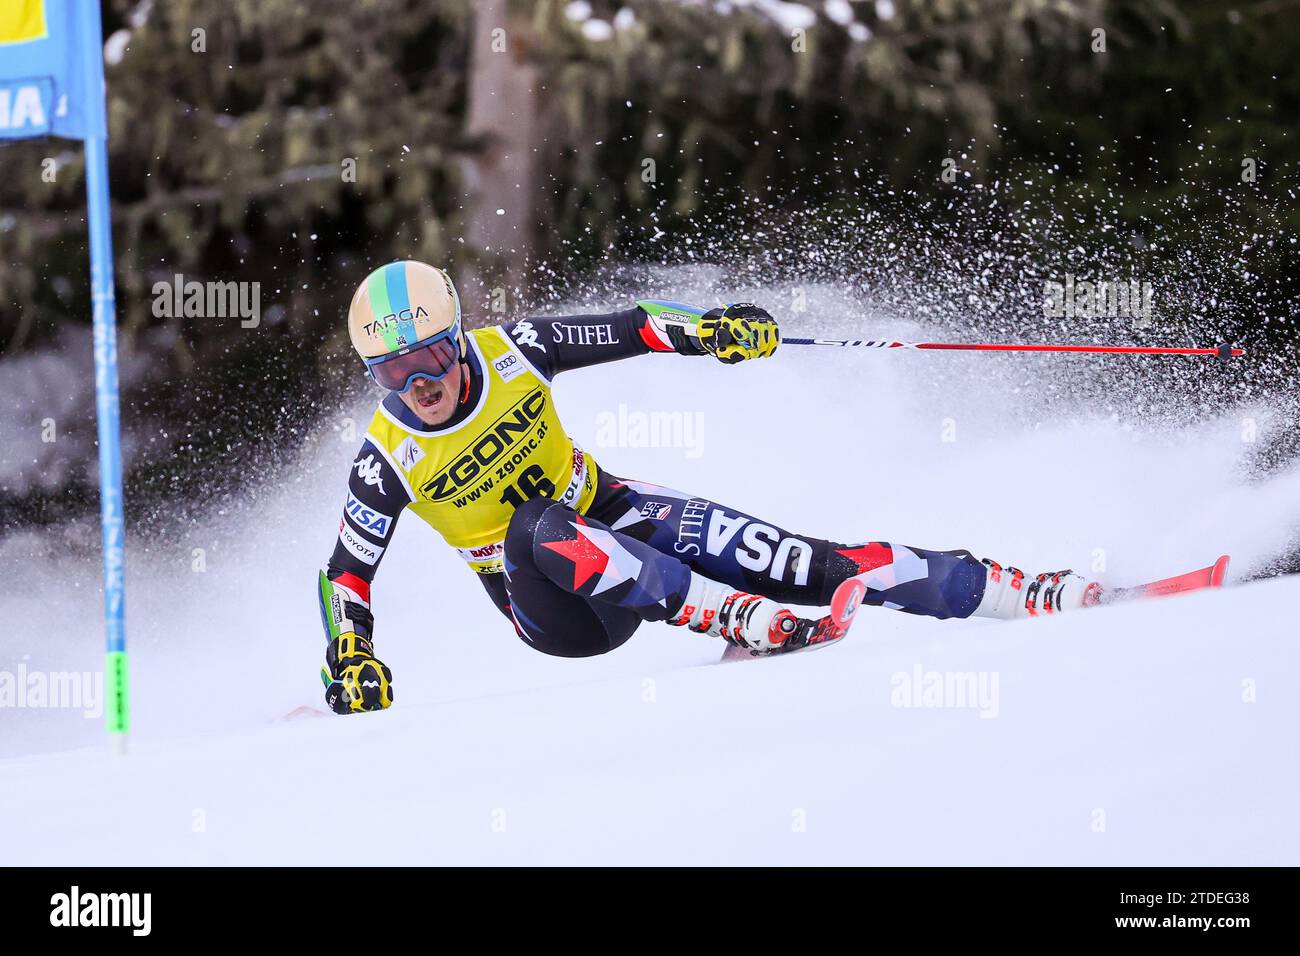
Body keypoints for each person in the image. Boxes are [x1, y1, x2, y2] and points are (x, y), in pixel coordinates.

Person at [317, 261, 1097, 714]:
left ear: (458, 339)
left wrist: (713, 331)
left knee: (800, 559)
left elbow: (634, 326)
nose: (416, 382)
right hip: (562, 612)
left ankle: (1007, 591)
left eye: (429, 356)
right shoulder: (386, 456)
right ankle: (732, 618)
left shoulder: (516, 350)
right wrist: (351, 655)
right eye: (390, 369)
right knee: (534, 524)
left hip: (616, 514)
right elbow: (345, 573)